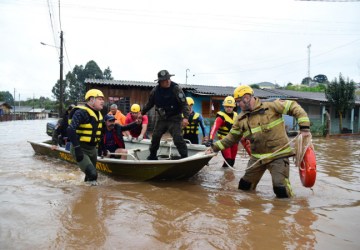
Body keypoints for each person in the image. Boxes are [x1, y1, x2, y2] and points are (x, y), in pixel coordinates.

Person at [206, 85, 311, 198]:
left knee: (280, 189)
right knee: (244, 187)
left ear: (246, 98)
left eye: (238, 101)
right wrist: (213, 148)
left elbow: (293, 107)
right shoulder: (240, 119)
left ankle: (286, 209)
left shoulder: (271, 105)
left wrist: (304, 128)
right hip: (257, 158)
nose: (237, 105)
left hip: (278, 155)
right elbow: (231, 138)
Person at [140, 69, 190, 160]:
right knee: (155, 136)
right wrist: (142, 113)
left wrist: (186, 118)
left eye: (168, 79)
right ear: (160, 82)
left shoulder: (176, 88)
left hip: (175, 118)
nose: (167, 81)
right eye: (164, 80)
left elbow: (184, 104)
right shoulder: (155, 91)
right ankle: (152, 155)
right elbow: (149, 104)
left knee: (177, 138)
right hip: (162, 118)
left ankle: (184, 157)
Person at [67, 89, 105, 185]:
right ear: (91, 100)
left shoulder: (99, 114)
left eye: (103, 99)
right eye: (100, 99)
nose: (103, 101)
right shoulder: (81, 113)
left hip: (92, 149)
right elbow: (70, 129)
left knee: (91, 176)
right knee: (93, 174)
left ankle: (87, 195)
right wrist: (77, 148)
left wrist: (101, 148)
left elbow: (101, 132)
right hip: (80, 148)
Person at [208, 96, 239, 168]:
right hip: (224, 141)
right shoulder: (220, 117)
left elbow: (241, 128)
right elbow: (214, 128)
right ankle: (224, 177)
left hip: (234, 141)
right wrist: (211, 139)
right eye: (227, 106)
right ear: (224, 106)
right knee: (228, 161)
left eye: (230, 107)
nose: (229, 108)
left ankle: (228, 177)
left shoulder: (236, 115)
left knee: (232, 162)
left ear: (233, 107)